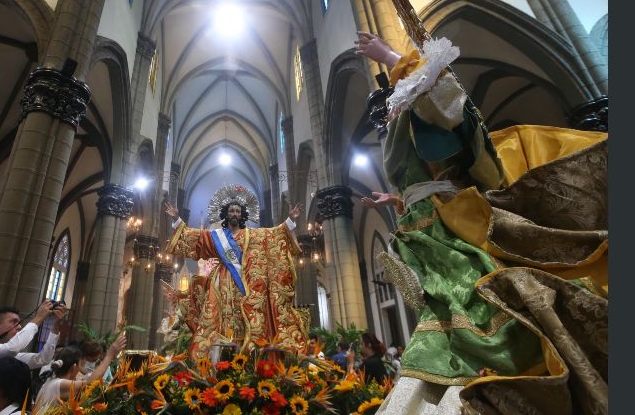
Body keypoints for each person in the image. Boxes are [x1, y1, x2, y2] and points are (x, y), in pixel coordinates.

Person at [355, 29, 607, 414]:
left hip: (448, 226)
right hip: (424, 227)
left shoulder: (422, 106)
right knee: (446, 309)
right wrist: (394, 199)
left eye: (394, 96)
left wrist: (390, 56)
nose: (387, 109)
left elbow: (442, 103)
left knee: (469, 302)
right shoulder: (402, 124)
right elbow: (423, 180)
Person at [164, 184, 309, 359]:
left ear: (242, 215)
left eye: (238, 211)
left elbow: (273, 234)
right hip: (221, 283)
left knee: (246, 318)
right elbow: (196, 238)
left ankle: (247, 358)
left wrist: (290, 221)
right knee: (218, 318)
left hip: (246, 284)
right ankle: (217, 359)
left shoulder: (253, 235)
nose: (235, 214)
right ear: (226, 213)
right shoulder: (216, 236)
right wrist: (177, 219)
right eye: (232, 211)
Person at [35, 334, 127, 407]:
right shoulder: (58, 383)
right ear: (74, 367)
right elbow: (89, 384)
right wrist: (109, 356)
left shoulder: (53, 381)